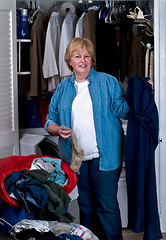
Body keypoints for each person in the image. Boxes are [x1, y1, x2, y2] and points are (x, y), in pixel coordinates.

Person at [45, 37, 152, 240]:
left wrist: (142, 91)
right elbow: (51, 119)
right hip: (76, 159)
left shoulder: (107, 81)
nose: (83, 60)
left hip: (106, 156)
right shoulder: (63, 88)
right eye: (77, 56)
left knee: (106, 204)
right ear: (70, 61)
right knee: (86, 205)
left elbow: (123, 109)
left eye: (87, 56)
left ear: (92, 60)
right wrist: (56, 129)